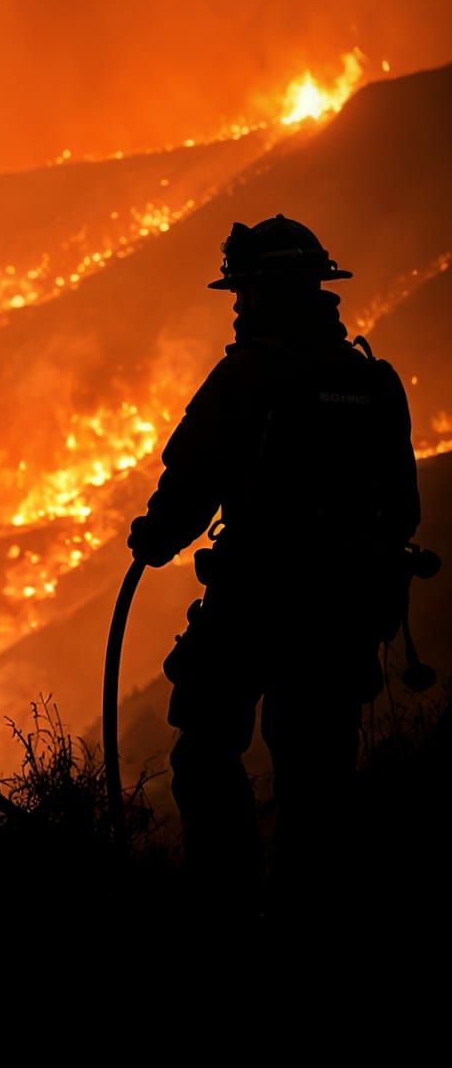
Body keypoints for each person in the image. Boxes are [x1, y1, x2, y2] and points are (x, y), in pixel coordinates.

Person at [127, 215, 421, 922]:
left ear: (264, 292)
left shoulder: (247, 376)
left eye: (243, 292)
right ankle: (307, 916)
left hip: (254, 607)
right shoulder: (372, 382)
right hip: (344, 617)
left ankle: (227, 913)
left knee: (204, 757)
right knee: (318, 778)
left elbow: (190, 481)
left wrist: (153, 538)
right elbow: (403, 510)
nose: (237, 307)